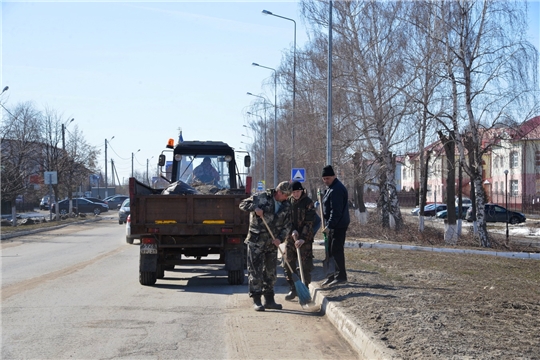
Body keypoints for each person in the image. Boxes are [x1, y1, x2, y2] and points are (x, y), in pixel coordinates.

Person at [239, 181, 292, 311]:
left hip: (272, 243)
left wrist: (280, 239)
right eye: (285, 195)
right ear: (279, 192)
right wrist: (254, 208)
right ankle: (257, 300)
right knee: (255, 271)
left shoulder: (286, 205)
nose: (287, 198)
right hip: (257, 241)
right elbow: (242, 204)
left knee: (270, 272)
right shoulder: (262, 197)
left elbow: (287, 225)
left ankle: (269, 299)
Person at [283, 181, 316, 301]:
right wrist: (292, 231)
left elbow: (309, 222)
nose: (296, 194)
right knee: (288, 263)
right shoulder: (288, 203)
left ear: (302, 191)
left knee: (305, 265)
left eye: (298, 191)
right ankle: (293, 288)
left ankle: (305, 289)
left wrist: (302, 237)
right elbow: (286, 220)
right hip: (290, 238)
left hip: (305, 240)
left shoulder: (308, 203)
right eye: (294, 192)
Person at [320, 165, 350, 286]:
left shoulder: (337, 189)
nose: (326, 180)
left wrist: (330, 226)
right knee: (329, 251)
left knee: (336, 249)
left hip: (338, 225)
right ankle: (331, 275)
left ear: (334, 176)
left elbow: (335, 211)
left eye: (328, 178)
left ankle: (341, 275)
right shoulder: (331, 188)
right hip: (332, 224)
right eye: (324, 179)